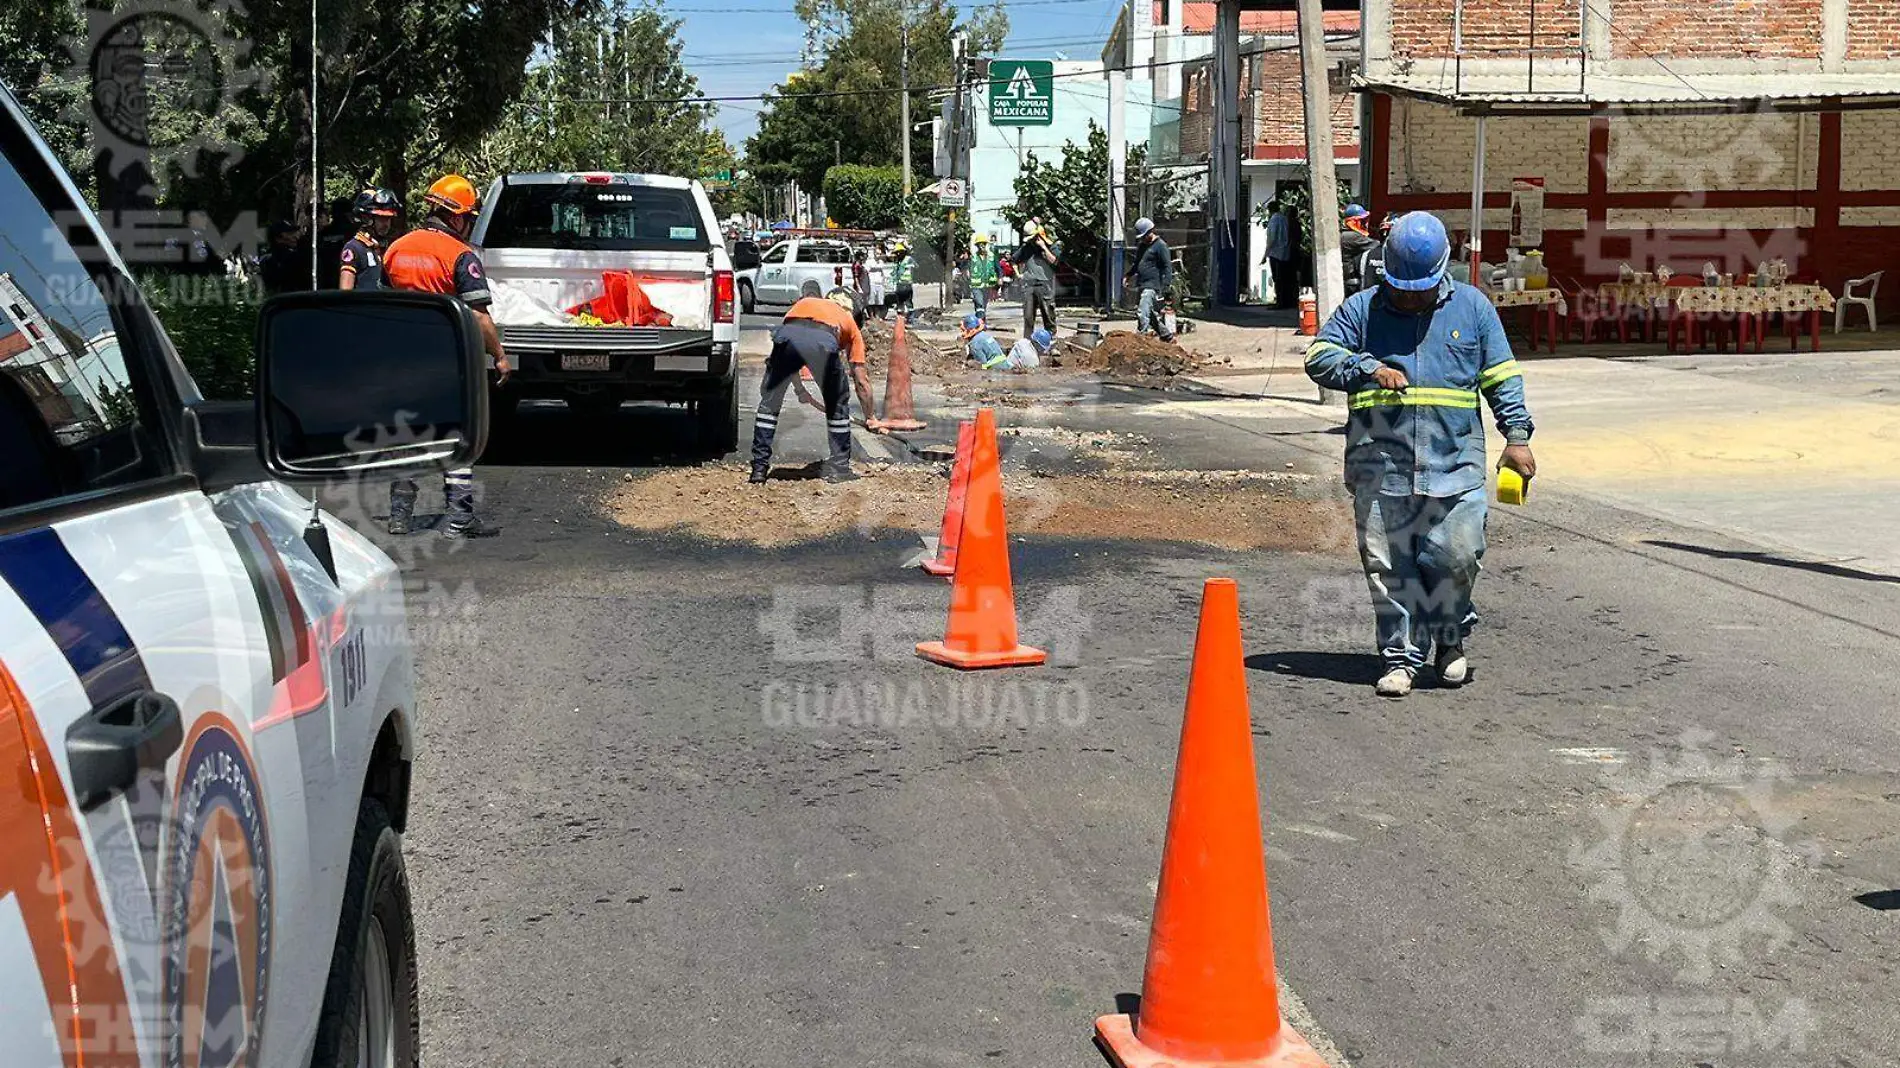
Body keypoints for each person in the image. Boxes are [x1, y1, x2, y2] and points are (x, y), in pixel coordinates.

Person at [1302, 211, 1536, 699]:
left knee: (1456, 556)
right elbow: (1318, 356)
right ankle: (1401, 659)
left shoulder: (1472, 308)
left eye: (1420, 288)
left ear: (1443, 272)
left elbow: (1500, 375)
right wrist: (1366, 366)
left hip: (1455, 464)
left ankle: (1449, 636)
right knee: (1390, 568)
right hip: (1379, 465)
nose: (1411, 296)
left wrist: (1516, 436)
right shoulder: (1361, 310)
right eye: (1403, 287)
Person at [382, 173, 512, 539]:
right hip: (444, 361)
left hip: (399, 360)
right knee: (456, 435)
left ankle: (399, 515)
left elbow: (380, 303)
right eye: (469, 218)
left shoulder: (396, 248)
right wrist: (499, 355)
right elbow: (478, 316)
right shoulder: (459, 255)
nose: (469, 225)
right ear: (455, 216)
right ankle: (459, 518)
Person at [751, 281, 881, 484]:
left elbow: (791, 346)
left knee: (769, 404)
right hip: (823, 341)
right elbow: (861, 380)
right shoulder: (850, 324)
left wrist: (800, 388)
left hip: (787, 336)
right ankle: (839, 468)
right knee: (837, 404)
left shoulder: (805, 304)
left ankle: (759, 469)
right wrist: (871, 417)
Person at [338, 188, 400, 291]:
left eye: (388, 218)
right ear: (366, 218)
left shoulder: (388, 247)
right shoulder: (354, 248)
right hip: (364, 306)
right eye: (381, 218)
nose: (386, 224)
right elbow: (345, 292)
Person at [1124, 217, 1174, 342]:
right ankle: (1166, 335)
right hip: (1142, 283)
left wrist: (1165, 287)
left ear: (1150, 231)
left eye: (1144, 235)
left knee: (1142, 311)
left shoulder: (1160, 246)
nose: (1142, 238)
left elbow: (1167, 267)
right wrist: (1128, 275)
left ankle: (1142, 338)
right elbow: (1137, 263)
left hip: (1152, 285)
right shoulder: (1142, 246)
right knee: (1149, 313)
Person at [1015, 219, 1059, 338]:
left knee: (1048, 315)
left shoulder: (1050, 246)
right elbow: (1014, 260)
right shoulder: (1026, 248)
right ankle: (1027, 342)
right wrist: (1019, 275)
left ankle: (1051, 341)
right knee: (1028, 317)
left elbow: (1055, 261)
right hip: (1029, 286)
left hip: (1045, 285)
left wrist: (1044, 247)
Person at [1266, 200, 1298, 309]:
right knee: (1284, 279)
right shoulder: (1284, 219)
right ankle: (1286, 302)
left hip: (1275, 253)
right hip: (1285, 253)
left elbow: (1272, 238)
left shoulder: (1274, 220)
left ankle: (1280, 303)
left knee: (1278, 280)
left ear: (1270, 210)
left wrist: (1266, 253)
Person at [1339, 203, 1378, 292]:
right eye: (1363, 221)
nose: (1365, 225)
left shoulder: (1344, 234)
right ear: (1354, 222)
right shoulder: (1353, 237)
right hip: (1351, 281)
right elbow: (1377, 245)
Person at [968, 234, 999, 318]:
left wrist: (1000, 277)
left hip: (987, 285)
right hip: (976, 285)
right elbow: (968, 270)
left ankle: (981, 322)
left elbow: (997, 267)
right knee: (979, 303)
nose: (982, 245)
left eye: (984, 244)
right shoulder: (973, 257)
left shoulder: (991, 256)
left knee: (983, 305)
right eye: (980, 244)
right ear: (977, 246)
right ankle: (980, 322)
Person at [887, 241, 914, 318]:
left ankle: (910, 318)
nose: (898, 254)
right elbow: (895, 272)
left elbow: (914, 268)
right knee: (900, 302)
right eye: (897, 252)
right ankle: (901, 318)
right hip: (900, 283)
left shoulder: (908, 259)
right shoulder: (898, 261)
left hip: (907, 283)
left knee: (908, 301)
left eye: (899, 252)